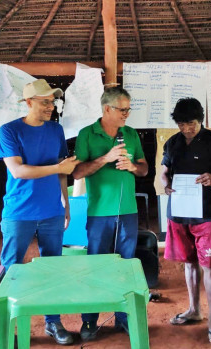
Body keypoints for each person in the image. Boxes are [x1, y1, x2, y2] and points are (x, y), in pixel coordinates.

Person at [0, 79, 79, 346]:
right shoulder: (9, 130)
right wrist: (58, 170)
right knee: (11, 269)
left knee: (52, 267)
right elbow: (19, 171)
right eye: (45, 102)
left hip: (52, 211)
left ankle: (52, 322)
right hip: (18, 212)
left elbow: (63, 168)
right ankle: (7, 324)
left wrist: (66, 202)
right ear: (29, 102)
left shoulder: (56, 130)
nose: (51, 107)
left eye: (53, 102)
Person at [72, 86, 148, 340]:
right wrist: (106, 158)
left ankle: (123, 318)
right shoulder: (87, 134)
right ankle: (90, 321)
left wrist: (133, 166)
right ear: (107, 109)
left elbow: (145, 168)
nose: (127, 114)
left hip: (128, 211)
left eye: (128, 109)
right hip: (98, 213)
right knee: (95, 266)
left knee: (125, 266)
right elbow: (77, 172)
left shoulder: (131, 134)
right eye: (122, 109)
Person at [160, 98, 211, 345]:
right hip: (179, 213)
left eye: (191, 123)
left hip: (206, 214)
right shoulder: (173, 142)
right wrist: (165, 181)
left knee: (208, 265)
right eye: (182, 124)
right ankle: (194, 309)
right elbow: (164, 170)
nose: (186, 129)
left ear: (201, 119)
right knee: (189, 264)